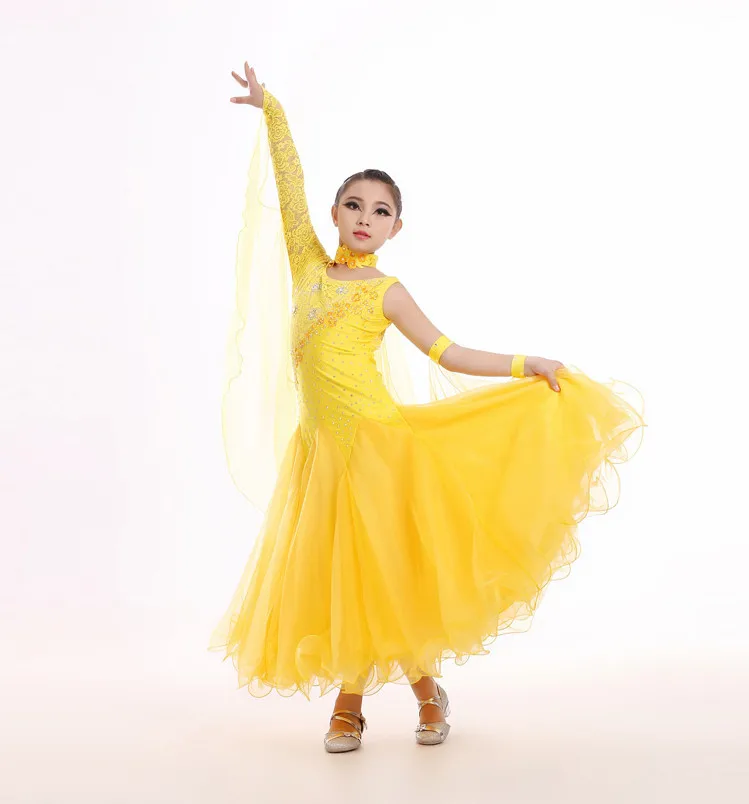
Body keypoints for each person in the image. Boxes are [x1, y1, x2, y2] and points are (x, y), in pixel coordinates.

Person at [209, 62, 647, 752]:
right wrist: (273, 111)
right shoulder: (307, 265)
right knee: (346, 578)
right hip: (322, 454)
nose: (365, 218)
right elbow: (288, 188)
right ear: (334, 214)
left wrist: (525, 363)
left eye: (380, 211)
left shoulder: (386, 293)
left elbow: (449, 353)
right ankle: (412, 695)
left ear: (395, 228)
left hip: (380, 450)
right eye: (354, 205)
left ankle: (361, 703)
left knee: (382, 574)